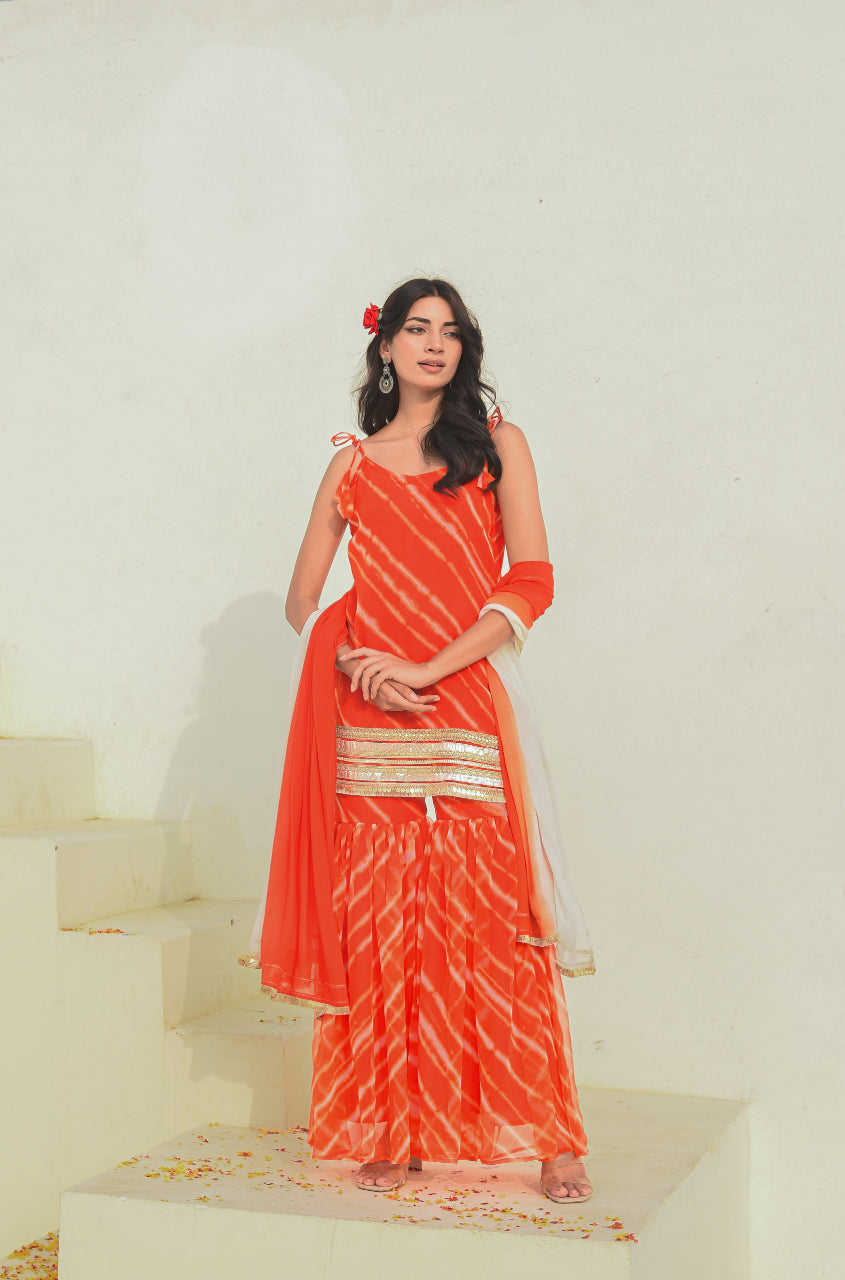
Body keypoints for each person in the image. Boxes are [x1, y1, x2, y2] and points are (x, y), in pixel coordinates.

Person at [240, 277, 595, 1204]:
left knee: (496, 915)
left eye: (449, 332)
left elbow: (533, 578)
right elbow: (303, 600)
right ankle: (389, 1128)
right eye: (416, 329)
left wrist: (428, 667)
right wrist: (354, 659)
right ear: (386, 348)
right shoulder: (351, 464)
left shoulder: (497, 445)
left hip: (463, 697)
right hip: (368, 714)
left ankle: (551, 1139)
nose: (434, 343)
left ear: (463, 349)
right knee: (380, 920)